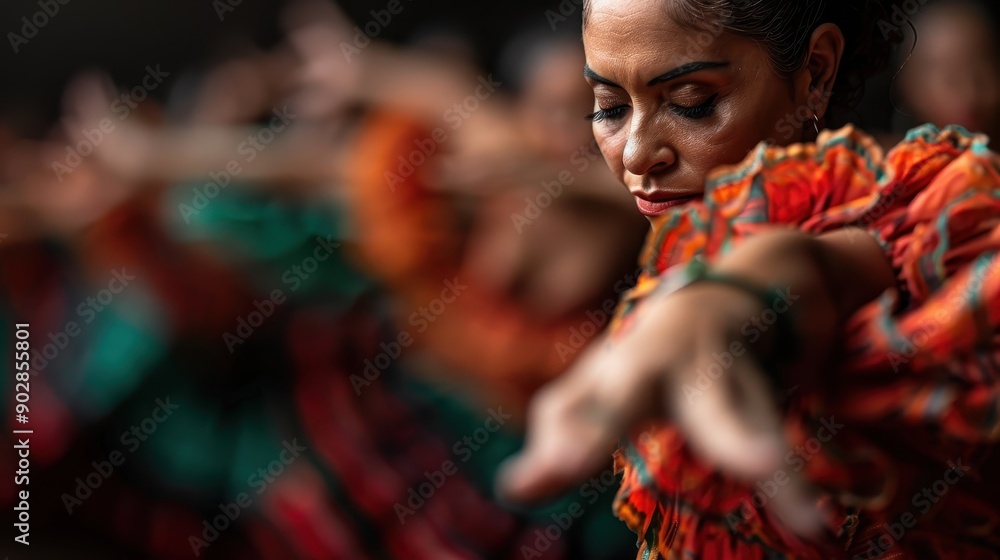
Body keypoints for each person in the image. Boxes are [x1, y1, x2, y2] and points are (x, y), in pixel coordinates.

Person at [497, 0, 1000, 558]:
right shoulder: (663, 255)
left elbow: (828, 262)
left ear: (816, 73)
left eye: (692, 102)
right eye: (609, 107)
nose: (637, 155)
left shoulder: (910, 224)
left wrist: (722, 301)